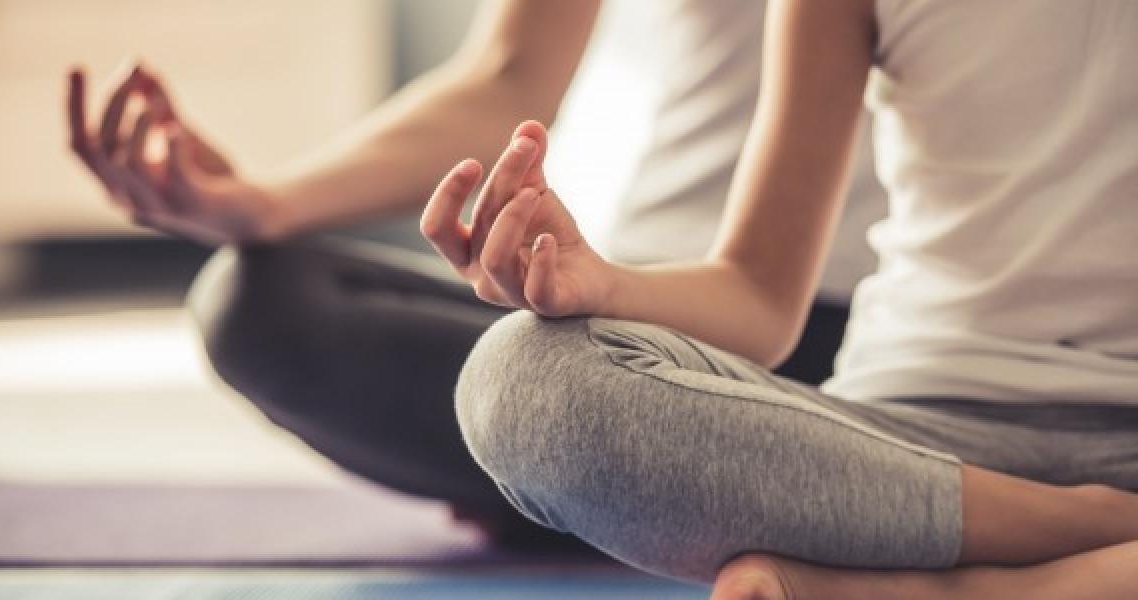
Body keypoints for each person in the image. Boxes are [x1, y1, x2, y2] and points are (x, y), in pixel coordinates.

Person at [65, 0, 883, 548]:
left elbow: (760, 295)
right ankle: (603, 496)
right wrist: (262, 205)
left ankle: (587, 498)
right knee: (258, 300)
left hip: (841, 339)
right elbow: (508, 74)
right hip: (630, 309)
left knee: (550, 391)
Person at [420, 0, 1138, 598]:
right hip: (904, 438)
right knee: (526, 379)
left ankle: (965, 587)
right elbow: (757, 298)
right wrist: (600, 283)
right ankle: (1090, 536)